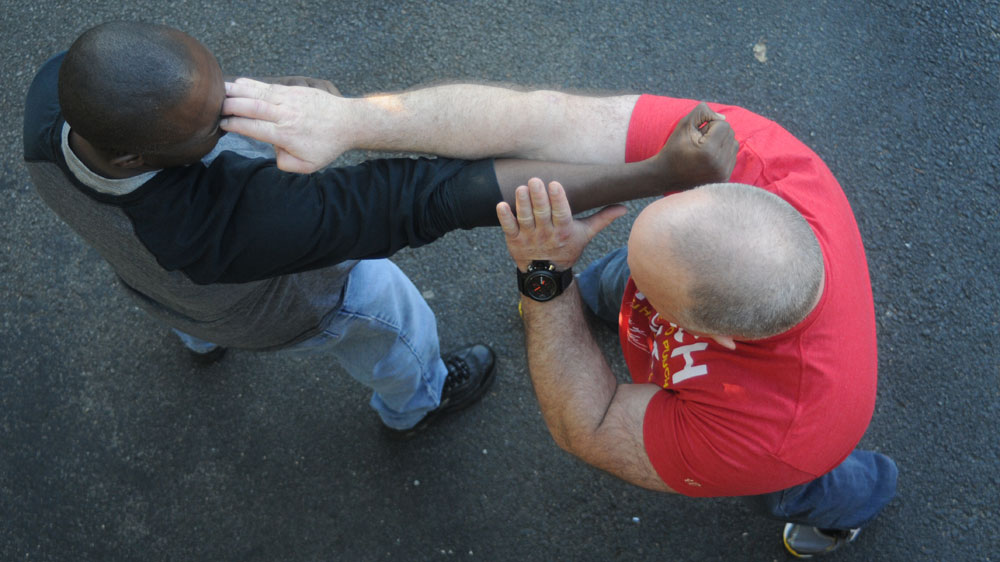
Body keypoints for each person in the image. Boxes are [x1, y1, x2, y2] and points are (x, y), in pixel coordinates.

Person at [221, 86, 896, 557]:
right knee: (616, 284)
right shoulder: (753, 155)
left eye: (653, 294)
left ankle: (851, 508)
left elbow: (593, 424)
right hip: (707, 298)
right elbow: (539, 119)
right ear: (731, 194)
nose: (634, 283)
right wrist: (349, 120)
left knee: (800, 489)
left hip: (794, 451)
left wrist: (546, 277)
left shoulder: (771, 434)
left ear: (712, 337)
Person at [23, 22, 736, 440]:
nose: (241, 108)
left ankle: (200, 342)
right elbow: (427, 195)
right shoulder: (234, 225)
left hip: (155, 281)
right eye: (218, 122)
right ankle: (417, 401)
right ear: (132, 156)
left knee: (183, 307)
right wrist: (654, 171)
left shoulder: (57, 102)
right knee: (391, 322)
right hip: (291, 302)